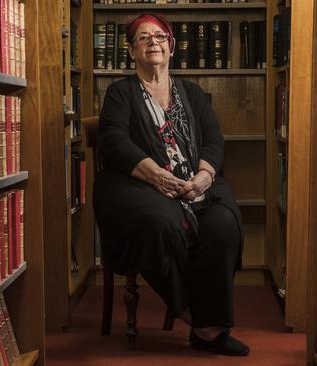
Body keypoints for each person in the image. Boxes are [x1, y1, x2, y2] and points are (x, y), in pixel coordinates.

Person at [93, 13, 250, 357]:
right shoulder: (121, 93)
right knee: (160, 223)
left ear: (172, 47)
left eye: (160, 37)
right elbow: (113, 141)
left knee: (222, 222)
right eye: (144, 38)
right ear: (131, 51)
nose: (154, 43)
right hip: (138, 184)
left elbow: (214, 140)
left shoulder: (191, 93)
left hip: (192, 181)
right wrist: (155, 175)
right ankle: (195, 316)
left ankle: (213, 321)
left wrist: (203, 177)